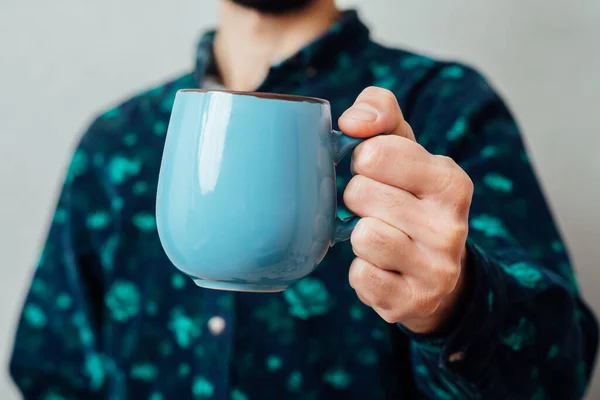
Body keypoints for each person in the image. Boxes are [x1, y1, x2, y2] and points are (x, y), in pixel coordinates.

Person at [9, 0, 598, 398]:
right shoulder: (118, 141)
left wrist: (456, 303)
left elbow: (559, 368)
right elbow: (49, 366)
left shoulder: (444, 108)